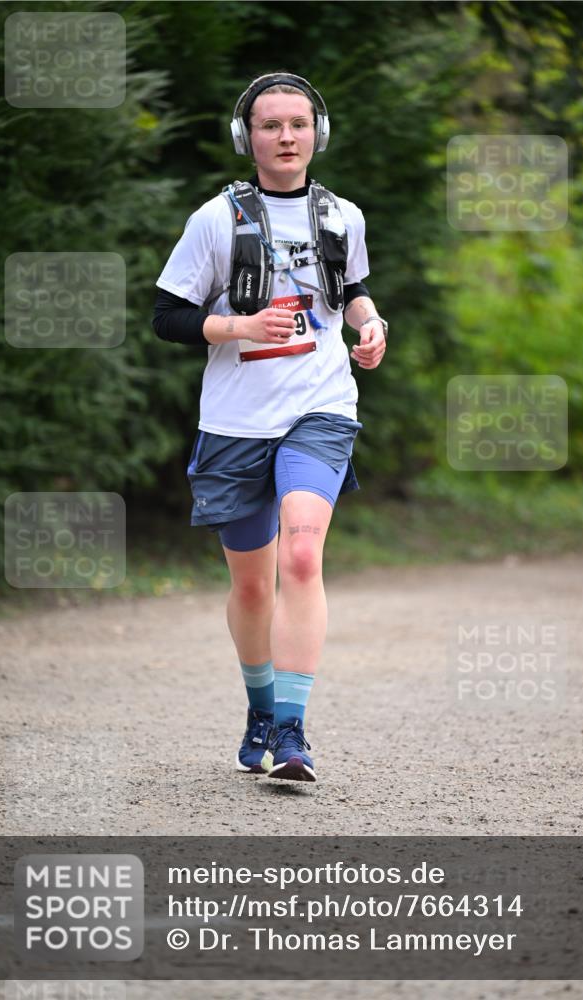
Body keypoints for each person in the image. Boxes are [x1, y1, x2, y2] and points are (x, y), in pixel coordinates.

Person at [153, 72, 387, 783]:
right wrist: (240, 326)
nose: (286, 137)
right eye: (270, 125)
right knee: (253, 586)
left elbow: (350, 289)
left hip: (320, 406)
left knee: (303, 556)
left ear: (318, 132)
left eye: (298, 124)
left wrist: (370, 322)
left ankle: (291, 732)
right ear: (245, 136)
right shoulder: (214, 220)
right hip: (235, 421)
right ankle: (260, 708)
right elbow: (167, 316)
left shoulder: (342, 216)